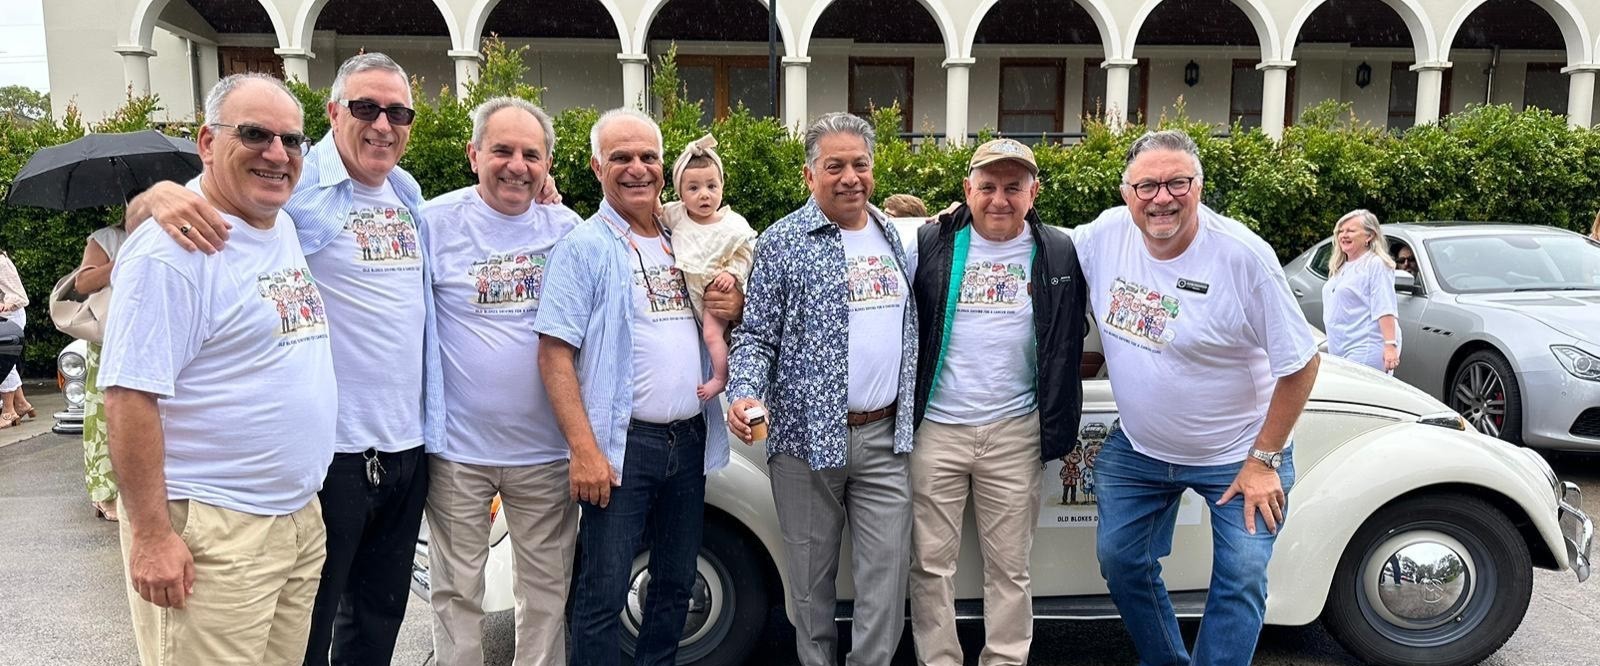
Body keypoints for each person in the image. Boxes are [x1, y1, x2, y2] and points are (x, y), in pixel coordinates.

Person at [121, 52, 490, 666]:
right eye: (365, 108)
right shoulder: (298, 188)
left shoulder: (405, 193)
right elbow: (213, 195)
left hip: (406, 446)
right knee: (315, 635)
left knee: (373, 625)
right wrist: (154, 197)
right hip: (332, 461)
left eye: (398, 112)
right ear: (334, 114)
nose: (383, 124)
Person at [100, 72, 335, 664]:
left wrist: (147, 198)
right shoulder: (172, 251)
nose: (277, 153)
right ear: (207, 142)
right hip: (211, 530)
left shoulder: (280, 222)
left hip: (293, 521)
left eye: (292, 140)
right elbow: (128, 396)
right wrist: (151, 536)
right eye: (254, 134)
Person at [1073, 130, 1319, 666]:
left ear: (1199, 187)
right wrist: (952, 221)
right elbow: (1032, 243)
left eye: (1177, 183)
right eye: (1147, 186)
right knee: (1121, 562)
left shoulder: (1242, 256)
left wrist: (1263, 460)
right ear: (1126, 193)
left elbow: (1301, 364)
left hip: (1240, 454)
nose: (1161, 198)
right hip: (1141, 450)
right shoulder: (1104, 236)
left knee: (1242, 577)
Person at [534, 107, 731, 666]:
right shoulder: (584, 247)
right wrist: (584, 450)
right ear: (597, 167)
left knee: (674, 586)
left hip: (687, 440)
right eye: (621, 157)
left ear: (664, 167)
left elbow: (722, 315)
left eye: (648, 156)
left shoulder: (684, 238)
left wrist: (733, 300)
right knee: (602, 593)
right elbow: (554, 355)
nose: (637, 168)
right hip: (622, 447)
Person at [726, 112, 918, 666]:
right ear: (811, 175)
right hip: (805, 440)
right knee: (810, 581)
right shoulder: (782, 241)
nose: (850, 177)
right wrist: (744, 391)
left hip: (885, 435)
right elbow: (756, 334)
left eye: (860, 164)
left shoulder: (890, 234)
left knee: (886, 578)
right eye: (835, 166)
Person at [907, 138, 1087, 666]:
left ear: (1034, 192)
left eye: (1013, 187)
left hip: (1015, 430)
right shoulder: (930, 242)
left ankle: (1005, 659)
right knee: (930, 565)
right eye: (987, 186)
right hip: (936, 429)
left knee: (1010, 567)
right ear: (968, 190)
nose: (999, 199)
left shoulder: (1060, 250)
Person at [420, 96, 583, 666]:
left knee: (545, 595)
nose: (517, 165)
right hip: (458, 451)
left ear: (547, 165)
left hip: (546, 452)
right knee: (456, 594)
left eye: (531, 155)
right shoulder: (432, 222)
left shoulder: (567, 229)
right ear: (473, 155)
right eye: (502, 151)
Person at [660, 133, 757, 400]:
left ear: (722, 186)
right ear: (680, 193)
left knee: (712, 335)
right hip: (691, 292)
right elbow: (653, 210)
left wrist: (731, 274)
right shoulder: (677, 215)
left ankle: (721, 377)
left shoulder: (732, 223)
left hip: (716, 289)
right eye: (693, 188)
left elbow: (745, 254)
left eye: (712, 186)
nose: (704, 194)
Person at [76, 222, 129, 521]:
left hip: (151, 334)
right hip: (109, 338)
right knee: (103, 413)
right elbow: (83, 282)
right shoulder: (107, 238)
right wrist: (120, 262)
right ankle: (105, 493)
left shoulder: (169, 233)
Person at [1322, 209, 1400, 373]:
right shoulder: (1340, 267)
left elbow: (1385, 306)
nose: (1344, 235)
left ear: (1369, 236)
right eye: (1340, 231)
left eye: (1350, 231)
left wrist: (1390, 345)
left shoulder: (1376, 264)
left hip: (1365, 348)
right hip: (1340, 348)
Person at [0, 250, 32, 429]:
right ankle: (21, 404)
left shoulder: (0, 261)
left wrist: (6, 305)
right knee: (8, 361)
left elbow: (18, 295)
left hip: (9, 317)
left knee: (4, 361)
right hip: (6, 316)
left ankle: (8, 411)